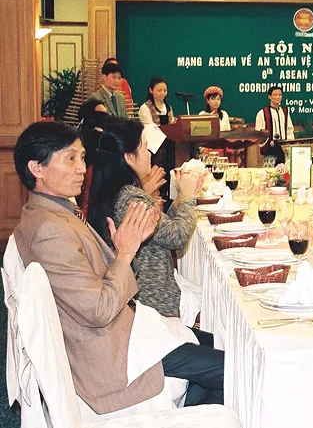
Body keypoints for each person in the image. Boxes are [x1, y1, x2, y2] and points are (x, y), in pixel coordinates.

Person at [12, 121, 224, 414]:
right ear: (36, 168)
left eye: (82, 157)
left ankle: (192, 407)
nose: (81, 168)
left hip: (124, 330)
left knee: (220, 346)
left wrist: (120, 251)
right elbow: (99, 310)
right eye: (70, 158)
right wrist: (125, 252)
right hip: (110, 351)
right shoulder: (50, 231)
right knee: (232, 368)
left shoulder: (49, 212)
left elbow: (87, 281)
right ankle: (192, 414)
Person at [86, 118, 202, 319]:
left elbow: (163, 232)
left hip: (141, 302)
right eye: (145, 147)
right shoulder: (131, 198)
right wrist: (189, 197)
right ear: (129, 157)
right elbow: (177, 237)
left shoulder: (114, 191)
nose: (150, 154)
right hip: (153, 307)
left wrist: (180, 199)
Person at [138, 76, 176, 204]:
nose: (162, 93)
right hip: (154, 147)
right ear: (151, 90)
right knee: (157, 171)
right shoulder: (145, 108)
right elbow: (149, 127)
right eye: (159, 90)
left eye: (164, 90)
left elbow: (172, 123)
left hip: (168, 144)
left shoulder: (168, 107)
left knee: (169, 171)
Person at [255, 85, 294, 164]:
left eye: (280, 95)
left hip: (284, 148)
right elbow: (259, 133)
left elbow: (289, 129)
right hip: (270, 149)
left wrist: (289, 142)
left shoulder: (285, 112)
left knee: (285, 170)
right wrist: (268, 142)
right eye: (275, 95)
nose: (278, 97)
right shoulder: (263, 113)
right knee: (271, 171)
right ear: (269, 96)